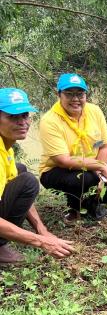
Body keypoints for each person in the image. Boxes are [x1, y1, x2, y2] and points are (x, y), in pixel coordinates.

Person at [39, 74, 107, 221]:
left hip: (94, 163)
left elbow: (104, 145)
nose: (75, 99)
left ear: (86, 95)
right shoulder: (50, 121)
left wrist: (100, 170)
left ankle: (91, 201)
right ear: (59, 94)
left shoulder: (94, 111)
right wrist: (99, 168)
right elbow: (63, 160)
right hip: (57, 170)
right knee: (87, 179)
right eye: (69, 94)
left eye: (80, 94)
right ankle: (78, 208)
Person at [0, 88, 74, 263]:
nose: (22, 122)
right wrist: (42, 242)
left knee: (20, 171)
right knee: (28, 182)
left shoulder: (5, 147)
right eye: (12, 117)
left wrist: (42, 230)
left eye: (25, 115)